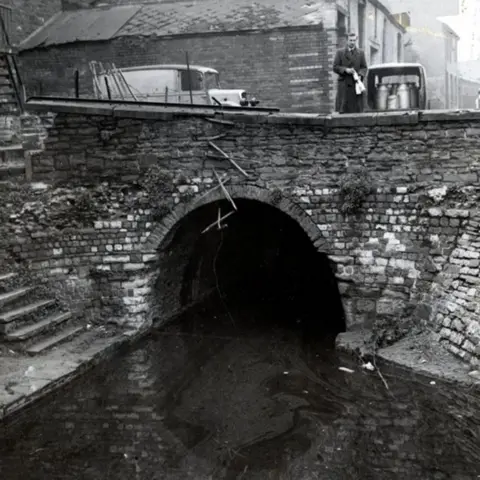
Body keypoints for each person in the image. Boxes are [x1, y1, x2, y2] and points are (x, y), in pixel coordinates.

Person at [333, 32, 368, 113]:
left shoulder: (361, 53)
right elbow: (335, 67)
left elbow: (364, 67)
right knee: (343, 110)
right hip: (344, 85)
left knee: (357, 110)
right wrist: (345, 70)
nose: (352, 42)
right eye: (350, 40)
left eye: (354, 40)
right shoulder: (340, 53)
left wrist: (360, 75)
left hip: (356, 85)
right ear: (347, 40)